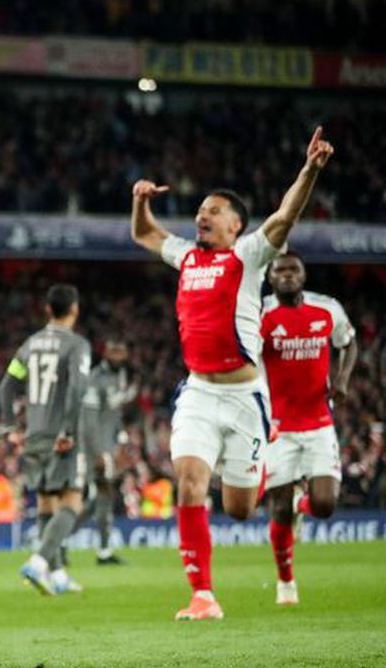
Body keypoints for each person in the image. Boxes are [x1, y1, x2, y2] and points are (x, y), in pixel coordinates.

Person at [130, 127, 334, 621]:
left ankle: (276, 478)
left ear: (236, 224)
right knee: (189, 481)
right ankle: (203, 594)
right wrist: (140, 202)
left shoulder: (248, 256)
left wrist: (309, 170)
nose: (202, 215)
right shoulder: (186, 256)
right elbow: (145, 234)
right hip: (199, 392)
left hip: (245, 398)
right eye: (201, 209)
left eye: (214, 210)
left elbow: (285, 216)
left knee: (241, 509)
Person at [260, 252, 356, 605]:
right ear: (270, 278)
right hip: (278, 427)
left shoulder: (327, 309)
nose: (287, 275)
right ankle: (285, 582)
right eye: (280, 270)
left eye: (293, 269)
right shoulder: (259, 315)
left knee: (326, 505)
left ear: (303, 275)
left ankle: (303, 505)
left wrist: (342, 380)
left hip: (318, 422)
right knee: (279, 510)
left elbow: (349, 343)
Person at [0, 284, 91, 595]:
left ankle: (58, 574)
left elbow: (6, 386)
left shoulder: (30, 345)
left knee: (47, 502)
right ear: (74, 309)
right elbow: (77, 389)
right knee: (73, 502)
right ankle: (38, 563)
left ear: (48, 310)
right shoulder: (76, 345)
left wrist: (9, 427)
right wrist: (68, 432)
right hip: (61, 437)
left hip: (33, 436)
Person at [76, 339, 136, 565]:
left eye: (122, 353)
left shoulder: (120, 376)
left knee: (100, 498)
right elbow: (88, 420)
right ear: (106, 354)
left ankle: (66, 542)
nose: (119, 357)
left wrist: (121, 439)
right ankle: (100, 550)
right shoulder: (95, 379)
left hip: (109, 446)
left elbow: (114, 413)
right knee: (101, 495)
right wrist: (98, 452)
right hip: (97, 448)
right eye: (115, 353)